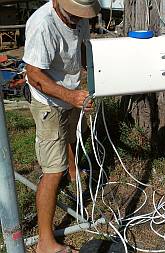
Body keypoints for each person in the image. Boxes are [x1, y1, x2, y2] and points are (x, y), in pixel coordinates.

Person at [23, 0, 100, 252]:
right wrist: (69, 96)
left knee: (71, 135)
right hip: (47, 101)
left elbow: (84, 50)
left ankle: (73, 168)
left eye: (83, 15)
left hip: (69, 93)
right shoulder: (43, 24)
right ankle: (45, 242)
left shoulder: (80, 16)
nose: (79, 19)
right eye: (75, 15)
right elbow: (34, 75)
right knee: (52, 172)